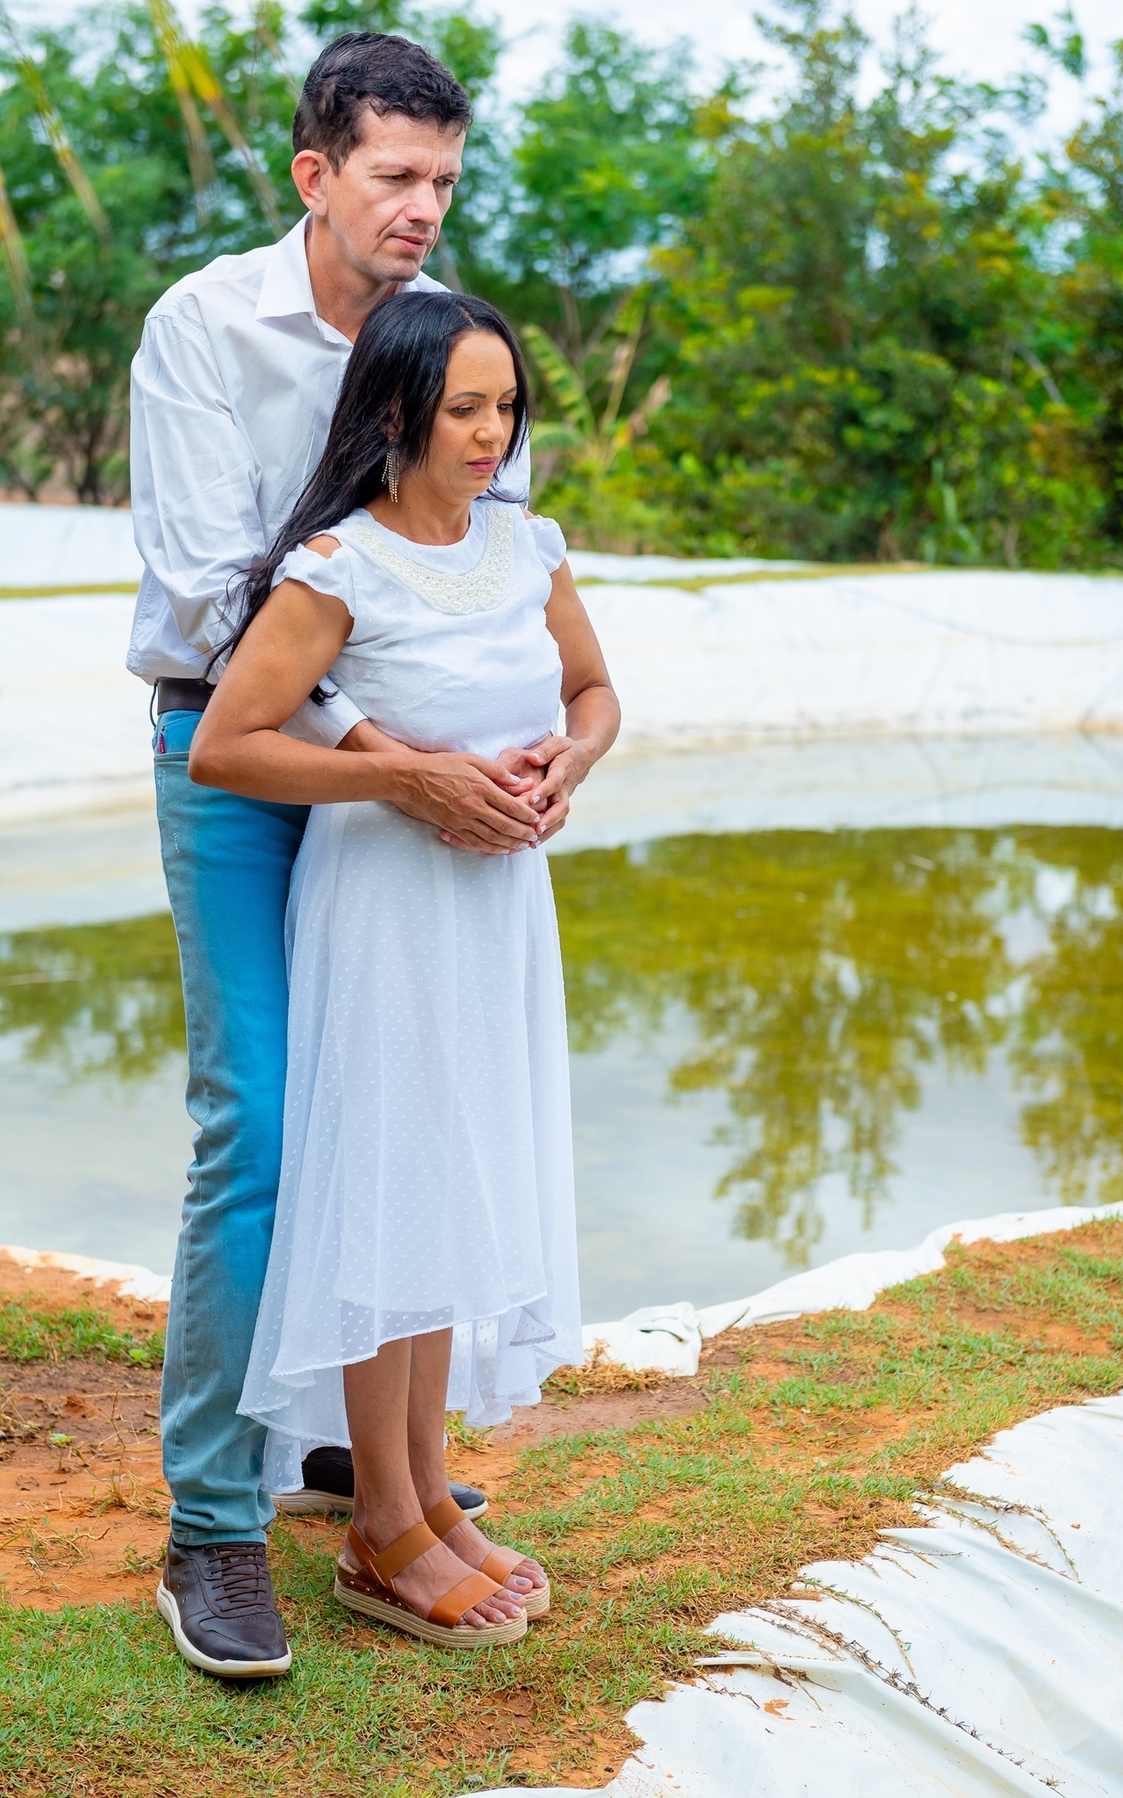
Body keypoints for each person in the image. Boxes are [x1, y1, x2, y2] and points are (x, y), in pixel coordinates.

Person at [129, 33, 571, 1676]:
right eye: (396, 176)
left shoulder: (438, 341)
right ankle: (214, 1525)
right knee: (260, 1119)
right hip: (239, 757)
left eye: (447, 180)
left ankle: (365, 1461)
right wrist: (386, 748)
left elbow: (485, 549)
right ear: (315, 175)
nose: (423, 208)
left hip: (417, 771)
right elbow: (199, 589)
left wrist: (523, 742)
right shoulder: (203, 329)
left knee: (411, 1102)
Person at [188, 290, 619, 1649]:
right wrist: (407, 773)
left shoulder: (528, 547)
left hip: (499, 910)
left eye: (508, 407)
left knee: (451, 1182)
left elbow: (595, 693)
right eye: (466, 410)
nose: (493, 434)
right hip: (382, 906)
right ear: (395, 412)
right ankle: (378, 1525)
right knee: (387, 1188)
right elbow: (229, 747)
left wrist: (572, 760)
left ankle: (429, 1493)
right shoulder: (337, 568)